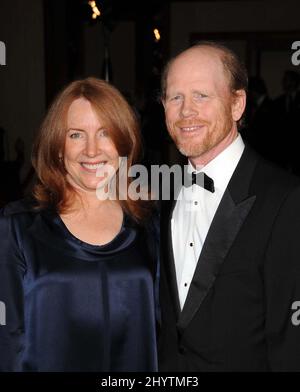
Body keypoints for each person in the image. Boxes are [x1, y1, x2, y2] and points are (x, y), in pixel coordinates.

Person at [159, 41, 300, 371]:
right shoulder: (162, 195)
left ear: (237, 104)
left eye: (201, 96)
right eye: (174, 97)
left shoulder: (286, 200)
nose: (185, 110)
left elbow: (291, 346)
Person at [0, 77, 158, 372]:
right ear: (58, 148)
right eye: (76, 135)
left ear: (124, 143)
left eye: (105, 133)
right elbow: (7, 343)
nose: (91, 150)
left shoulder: (151, 224)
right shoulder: (17, 227)